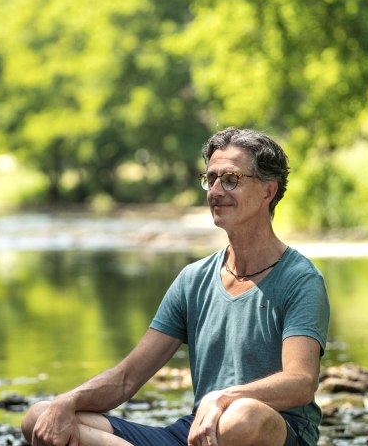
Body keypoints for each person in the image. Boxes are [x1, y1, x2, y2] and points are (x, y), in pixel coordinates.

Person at [21, 127, 330, 446]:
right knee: (42, 418)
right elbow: (127, 378)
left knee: (244, 415)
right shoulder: (193, 279)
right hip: (198, 432)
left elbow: (301, 382)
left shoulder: (301, 279)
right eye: (210, 179)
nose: (216, 190)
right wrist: (66, 401)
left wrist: (223, 398)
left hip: (275, 430)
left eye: (231, 179)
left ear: (268, 191)